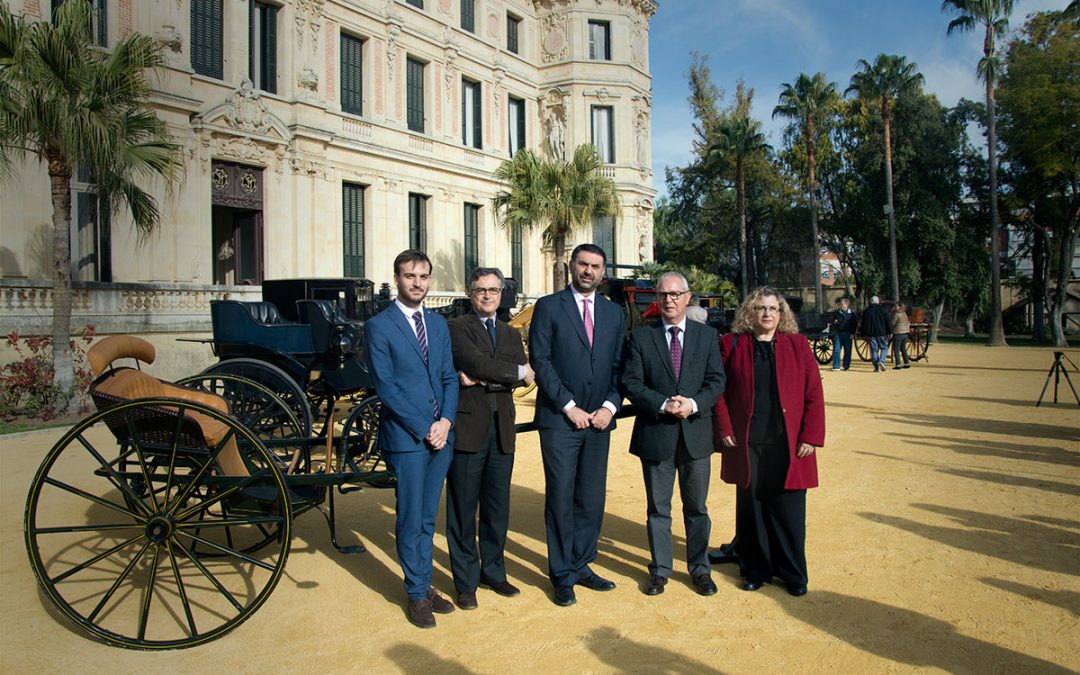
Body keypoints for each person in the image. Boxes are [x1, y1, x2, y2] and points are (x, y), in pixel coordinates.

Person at [364, 249, 459, 629]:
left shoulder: (437, 324)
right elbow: (386, 388)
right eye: (409, 276)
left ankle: (423, 583)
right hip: (408, 438)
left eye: (422, 276)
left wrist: (447, 422)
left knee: (426, 517)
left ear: (429, 280)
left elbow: (450, 377)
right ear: (397, 278)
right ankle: (417, 594)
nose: (416, 283)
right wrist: (425, 427)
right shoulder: (380, 326)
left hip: (442, 437)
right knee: (409, 516)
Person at [528, 243, 625, 607]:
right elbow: (541, 360)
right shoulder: (550, 307)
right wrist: (569, 406)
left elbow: (620, 366)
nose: (588, 271)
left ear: (603, 272)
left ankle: (583, 564)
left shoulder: (615, 314)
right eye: (582, 264)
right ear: (571, 266)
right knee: (561, 497)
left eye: (595, 266)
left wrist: (609, 407)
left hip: (599, 422)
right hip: (560, 420)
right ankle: (562, 574)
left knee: (591, 498)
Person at [713, 287, 825, 597]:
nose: (767, 314)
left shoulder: (798, 345)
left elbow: (813, 392)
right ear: (750, 313)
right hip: (747, 443)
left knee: (789, 513)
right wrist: (723, 427)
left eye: (773, 308)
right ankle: (755, 570)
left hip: (789, 444)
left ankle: (793, 573)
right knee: (753, 512)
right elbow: (718, 392)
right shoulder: (732, 345)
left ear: (782, 314)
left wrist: (811, 436)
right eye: (761, 308)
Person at [621, 272, 726, 597]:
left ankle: (700, 569)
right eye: (663, 294)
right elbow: (631, 383)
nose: (669, 300)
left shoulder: (706, 336)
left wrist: (692, 404)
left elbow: (716, 381)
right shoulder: (641, 338)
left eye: (675, 294)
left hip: (696, 435)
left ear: (687, 297)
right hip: (657, 434)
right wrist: (664, 403)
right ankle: (661, 570)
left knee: (697, 508)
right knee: (658, 509)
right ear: (657, 298)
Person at [446, 267, 534, 610]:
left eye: (493, 290)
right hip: (469, 430)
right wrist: (510, 373)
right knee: (463, 510)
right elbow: (476, 362)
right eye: (481, 290)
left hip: (502, 433)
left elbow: (522, 378)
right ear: (471, 293)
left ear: (501, 295)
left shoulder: (511, 335)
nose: (487, 296)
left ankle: (494, 572)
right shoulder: (457, 328)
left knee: (498, 509)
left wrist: (483, 377)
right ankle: (466, 583)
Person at [861, 295, 891, 372]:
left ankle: (876, 366)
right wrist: (889, 331)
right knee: (884, 347)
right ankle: (881, 360)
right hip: (881, 332)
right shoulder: (883, 310)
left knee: (874, 350)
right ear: (878, 302)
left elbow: (863, 323)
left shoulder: (866, 311)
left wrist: (863, 333)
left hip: (870, 333)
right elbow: (887, 321)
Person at [828, 297, 857, 371]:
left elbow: (854, 325)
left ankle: (846, 366)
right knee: (837, 350)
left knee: (847, 351)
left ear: (846, 304)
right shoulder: (837, 313)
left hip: (848, 334)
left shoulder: (852, 314)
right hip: (839, 333)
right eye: (840, 304)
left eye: (842, 304)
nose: (841, 305)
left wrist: (853, 334)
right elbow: (832, 322)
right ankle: (836, 366)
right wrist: (835, 322)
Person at [891, 302, 912, 370]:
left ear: (899, 306)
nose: (895, 307)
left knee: (896, 349)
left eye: (896, 306)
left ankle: (898, 364)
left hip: (898, 333)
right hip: (905, 333)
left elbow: (893, 323)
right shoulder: (904, 314)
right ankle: (907, 363)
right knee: (903, 349)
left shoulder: (897, 314)